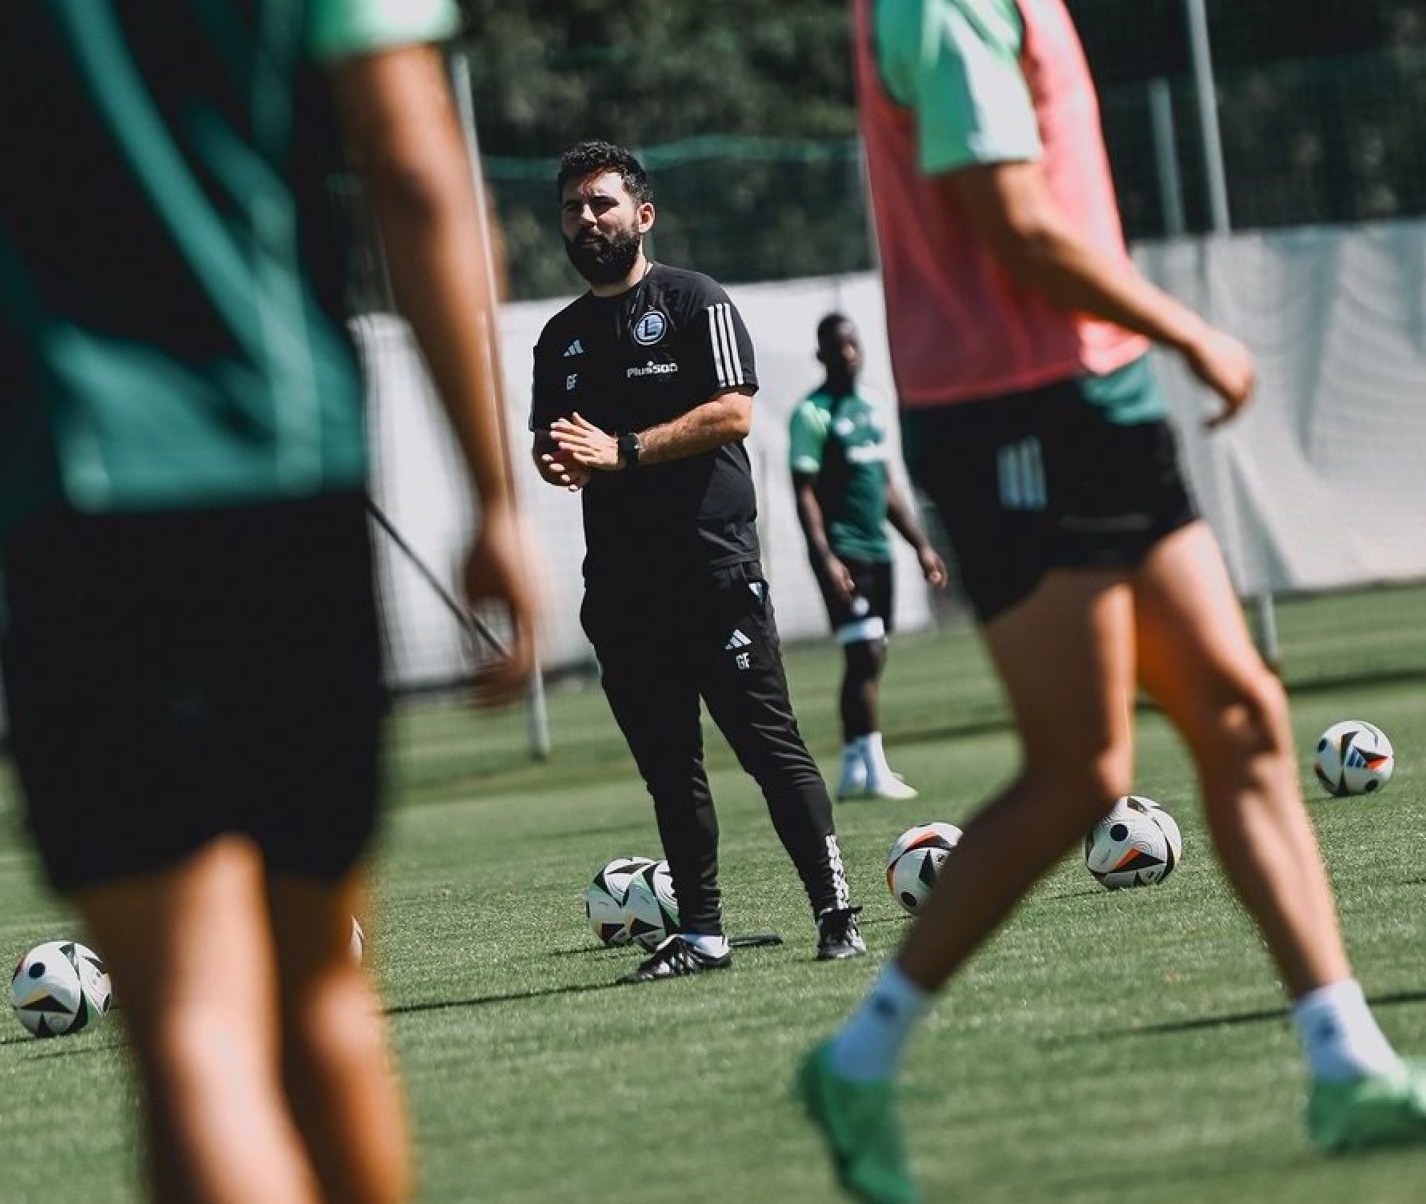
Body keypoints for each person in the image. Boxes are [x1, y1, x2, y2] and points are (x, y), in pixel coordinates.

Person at [0, 4, 538, 1203]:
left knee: (190, 1034)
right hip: (288, 480)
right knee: (319, 989)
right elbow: (417, 165)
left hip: (66, 504)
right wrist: (493, 493)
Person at [794, 2, 1426, 1200]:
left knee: (1240, 710)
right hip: (1017, 412)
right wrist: (1191, 330)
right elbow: (1016, 224)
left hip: (1096, 395)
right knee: (1082, 766)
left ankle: (1347, 1062)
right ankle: (858, 1061)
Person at [533, 140, 864, 984]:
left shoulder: (694, 301)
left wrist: (625, 450)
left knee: (770, 749)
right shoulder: (559, 339)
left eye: (602, 203)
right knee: (671, 772)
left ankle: (836, 913)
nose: (587, 218)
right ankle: (703, 934)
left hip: (712, 575)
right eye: (573, 207)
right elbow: (559, 445)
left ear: (642, 215)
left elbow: (732, 414)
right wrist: (560, 459)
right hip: (621, 588)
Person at [789, 313, 947, 801]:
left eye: (853, 343)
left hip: (878, 551)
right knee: (864, 652)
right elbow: (804, 492)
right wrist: (825, 556)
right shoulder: (812, 413)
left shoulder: (873, 407)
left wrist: (920, 545)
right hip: (844, 551)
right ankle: (869, 765)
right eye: (837, 346)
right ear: (821, 354)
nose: (848, 353)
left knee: (870, 656)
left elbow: (886, 487)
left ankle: (858, 766)